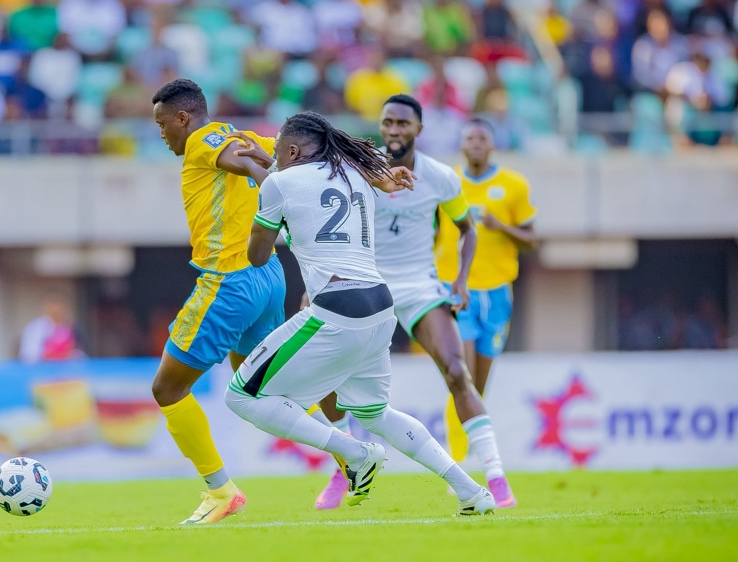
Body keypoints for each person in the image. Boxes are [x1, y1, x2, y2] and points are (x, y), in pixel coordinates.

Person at [224, 112, 495, 516]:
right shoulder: (354, 177)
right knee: (374, 411)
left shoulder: (280, 182)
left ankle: (354, 452)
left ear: (293, 151)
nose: (275, 156)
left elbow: (258, 255)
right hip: (379, 306)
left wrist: (263, 188)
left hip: (335, 307)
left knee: (241, 395)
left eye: (279, 148)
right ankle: (472, 491)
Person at [313, 96, 515, 510]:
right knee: (327, 377)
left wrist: (459, 279)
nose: (394, 130)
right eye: (387, 122)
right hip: (367, 282)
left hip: (420, 285)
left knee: (458, 371)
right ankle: (344, 466)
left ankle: (495, 476)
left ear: (419, 129)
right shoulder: (359, 170)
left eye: (403, 123)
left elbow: (467, 229)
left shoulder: (441, 177)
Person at [149, 79, 287, 524]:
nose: (162, 133)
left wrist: (275, 192)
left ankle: (220, 490)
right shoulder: (243, 134)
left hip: (229, 282)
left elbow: (241, 164)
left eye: (162, 123)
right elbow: (279, 152)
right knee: (260, 388)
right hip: (267, 274)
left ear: (183, 118)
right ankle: (348, 451)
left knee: (167, 389)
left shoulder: (202, 140)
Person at [435, 119, 537, 483]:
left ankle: (476, 454)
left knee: (478, 385)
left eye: (482, 138)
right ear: (462, 146)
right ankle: (456, 462)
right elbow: (431, 232)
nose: (476, 144)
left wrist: (501, 227)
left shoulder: (513, 185)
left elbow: (532, 240)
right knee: (457, 373)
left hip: (497, 295)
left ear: (492, 145)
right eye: (469, 139)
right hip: (457, 292)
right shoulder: (447, 183)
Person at [19, 296, 81, 362]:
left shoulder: (68, 327)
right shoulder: (36, 327)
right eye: (53, 307)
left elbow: (75, 351)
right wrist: (53, 355)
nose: (56, 311)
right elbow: (29, 354)